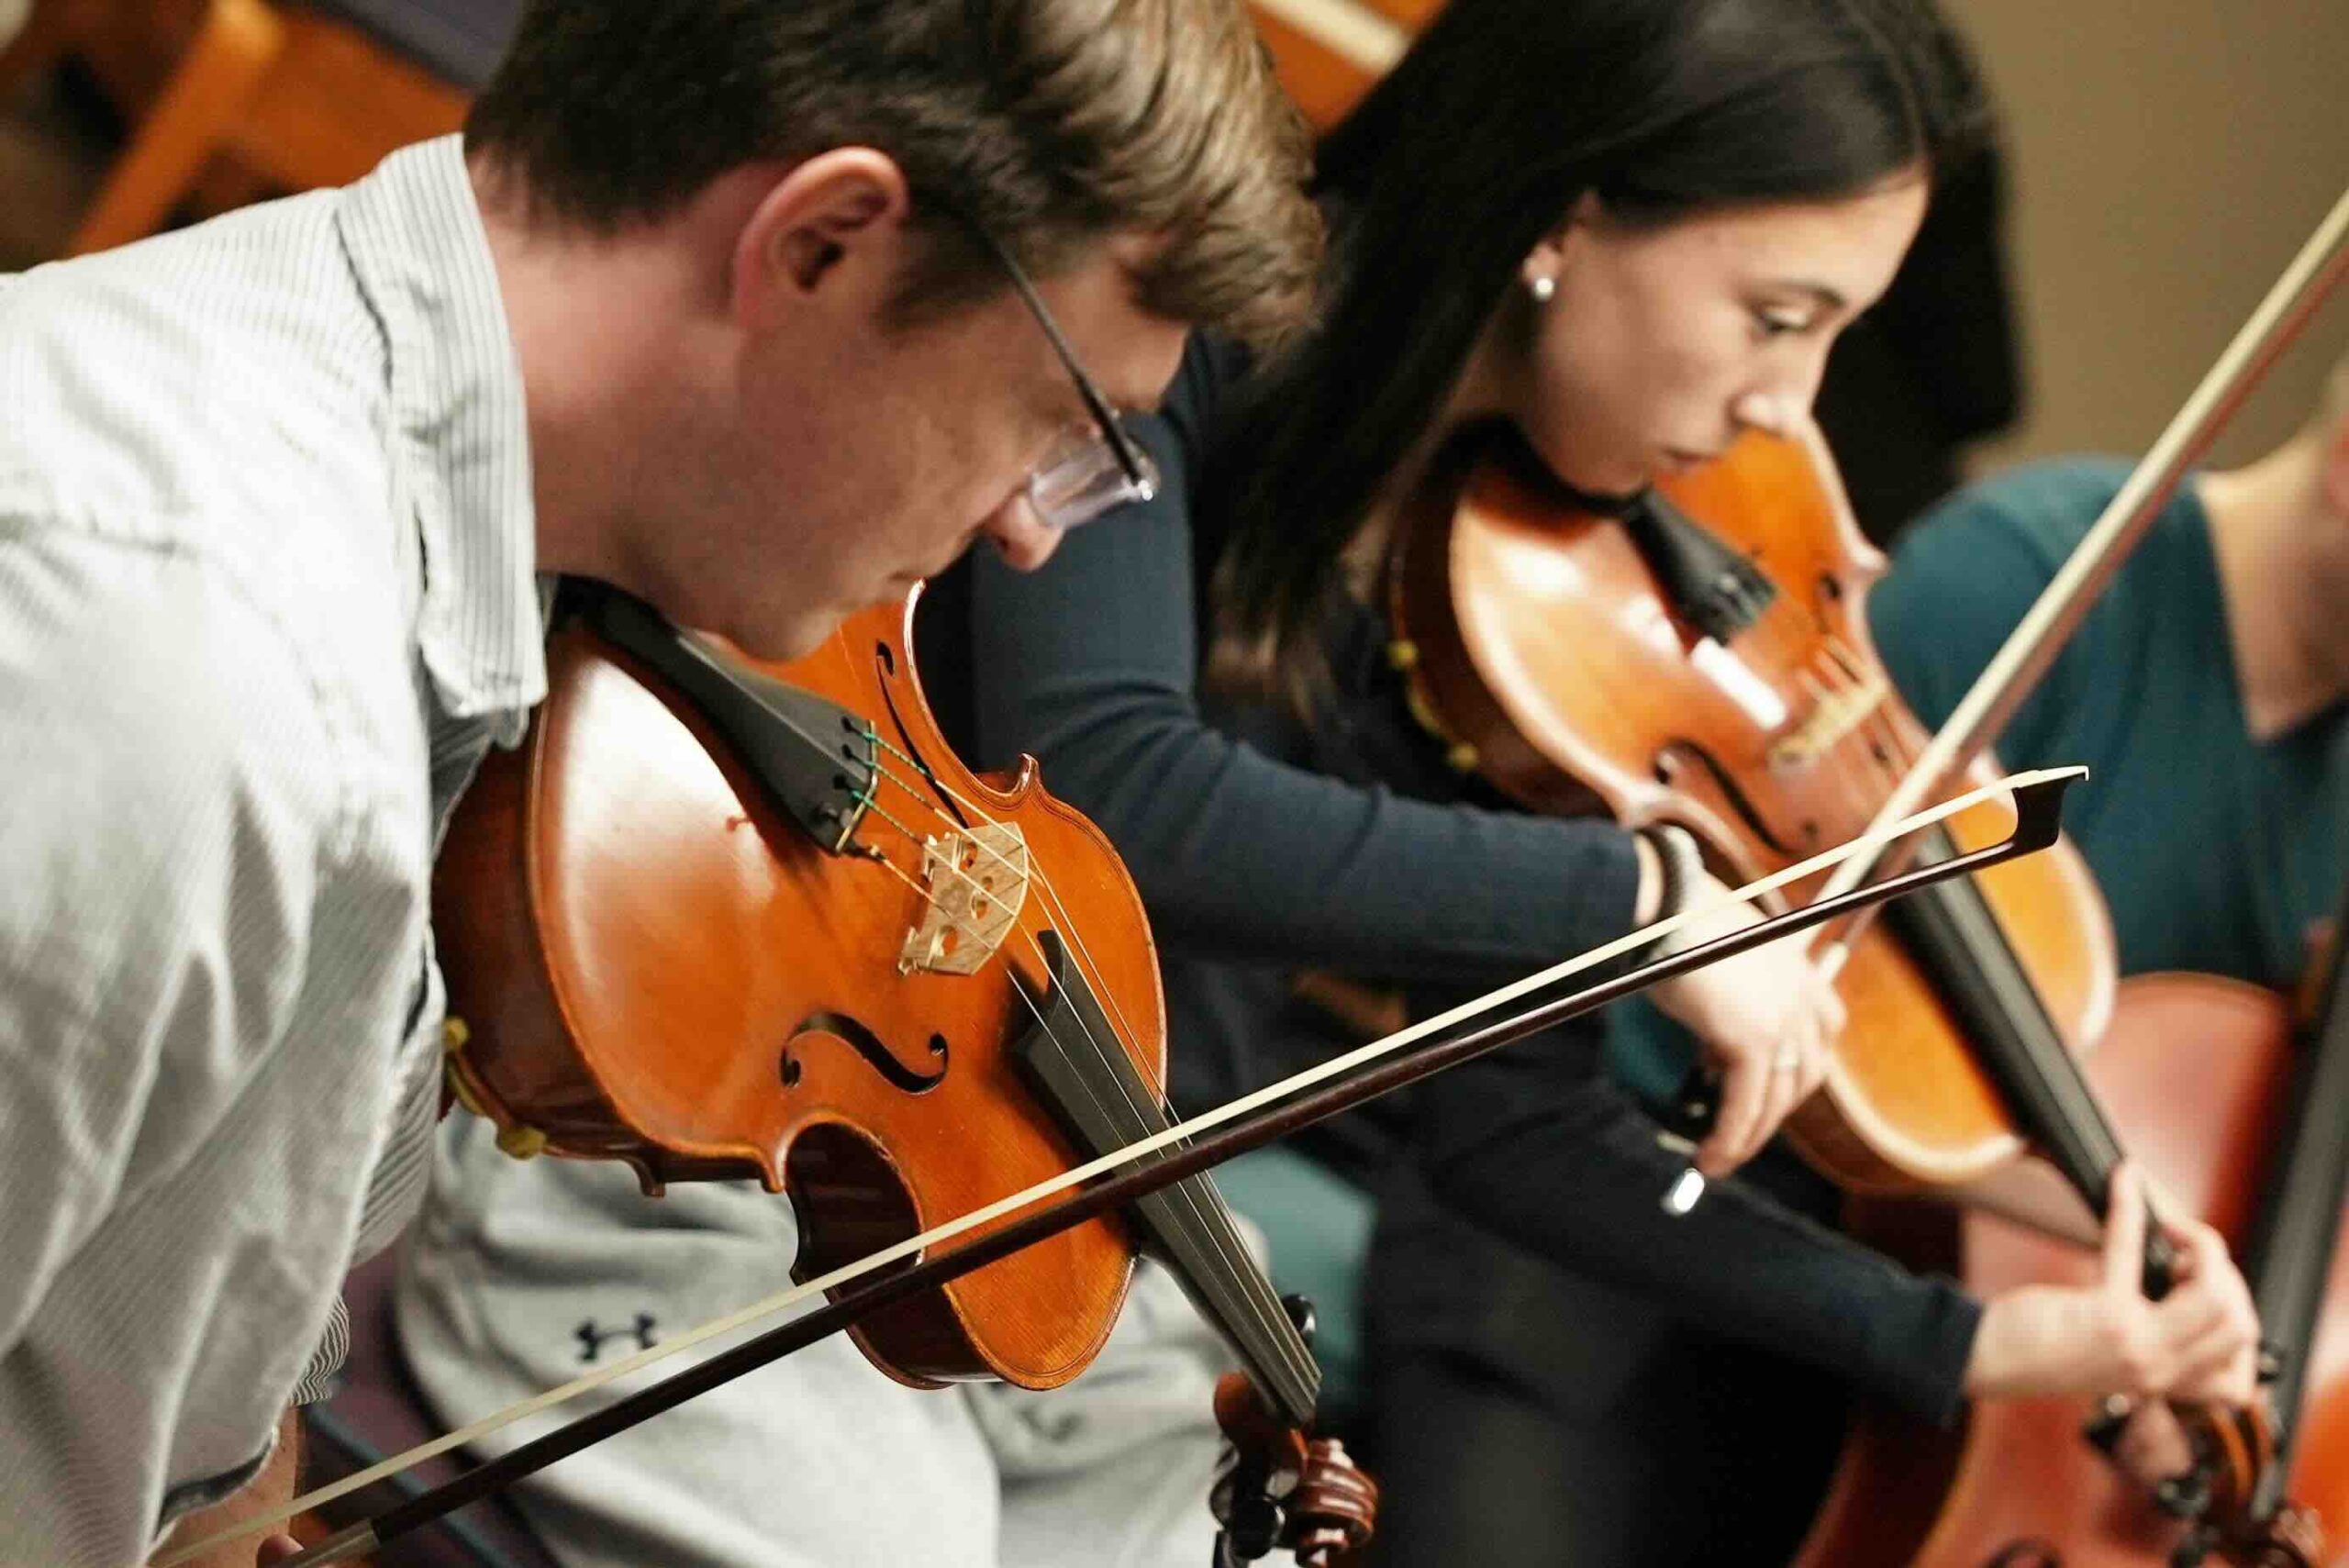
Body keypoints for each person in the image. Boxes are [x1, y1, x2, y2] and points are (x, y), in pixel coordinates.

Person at [936, 0, 2266, 1562]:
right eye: (1779, 315)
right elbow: (1110, 789)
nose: (1793, 402)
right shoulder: (1188, 330)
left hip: (1089, 1258)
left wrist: (1962, 1340)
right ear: (1567, 215)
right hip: (855, 1131)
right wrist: (1646, 898)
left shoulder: (1504, 578)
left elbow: (1512, 1122)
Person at [0, 0, 1320, 1561]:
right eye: (1061, 425)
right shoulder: (183, 683)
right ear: (826, 242)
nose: (1034, 532)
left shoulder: (424, 519)